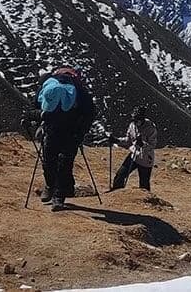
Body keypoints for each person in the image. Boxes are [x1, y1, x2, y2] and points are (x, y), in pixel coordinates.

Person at [36, 67, 96, 211]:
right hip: (71, 133)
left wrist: (34, 118)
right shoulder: (80, 91)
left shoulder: (48, 85)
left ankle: (51, 187)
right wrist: (81, 133)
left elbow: (39, 106)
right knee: (64, 164)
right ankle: (58, 196)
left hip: (51, 130)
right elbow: (90, 113)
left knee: (48, 160)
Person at [110, 106, 158, 191]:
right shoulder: (132, 125)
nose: (135, 122)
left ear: (142, 118)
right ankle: (116, 194)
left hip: (145, 159)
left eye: (137, 119)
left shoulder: (150, 128)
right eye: (134, 119)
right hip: (134, 155)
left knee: (144, 184)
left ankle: (146, 201)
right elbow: (128, 141)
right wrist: (116, 140)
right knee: (120, 175)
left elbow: (152, 145)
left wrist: (143, 144)